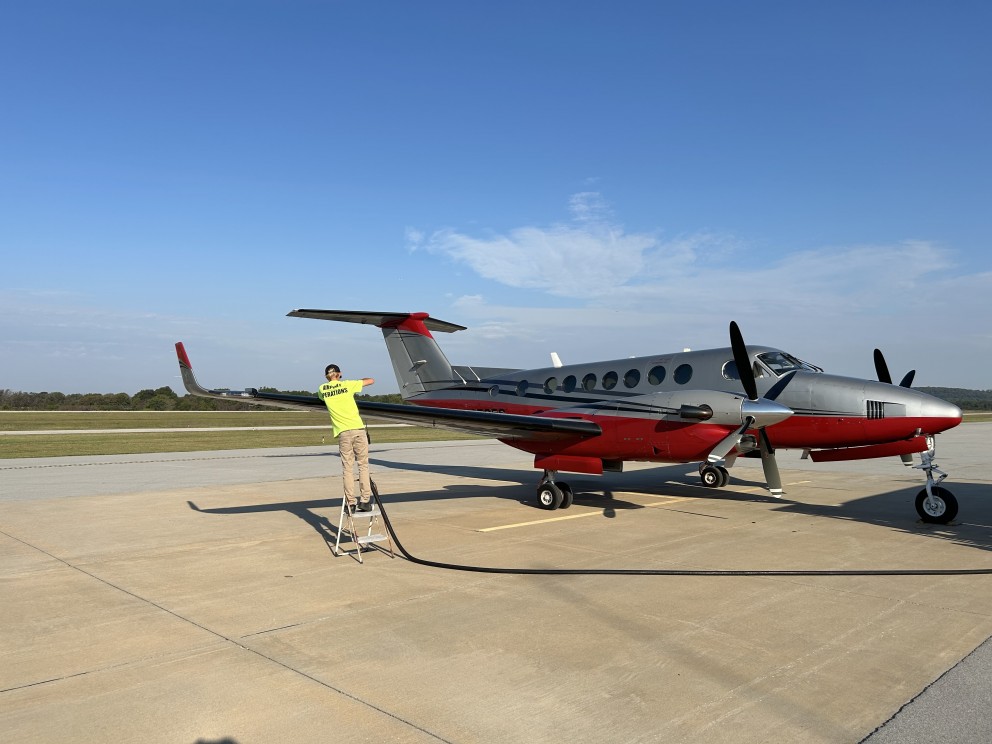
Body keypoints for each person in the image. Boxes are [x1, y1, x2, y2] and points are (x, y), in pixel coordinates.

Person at [318, 364, 375, 512]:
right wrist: (356, 381)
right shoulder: (348, 385)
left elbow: (320, 396)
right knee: (363, 465)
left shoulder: (322, 389)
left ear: (326, 376)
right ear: (339, 374)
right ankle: (365, 500)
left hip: (343, 433)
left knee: (347, 469)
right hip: (358, 429)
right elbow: (370, 380)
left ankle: (350, 502)